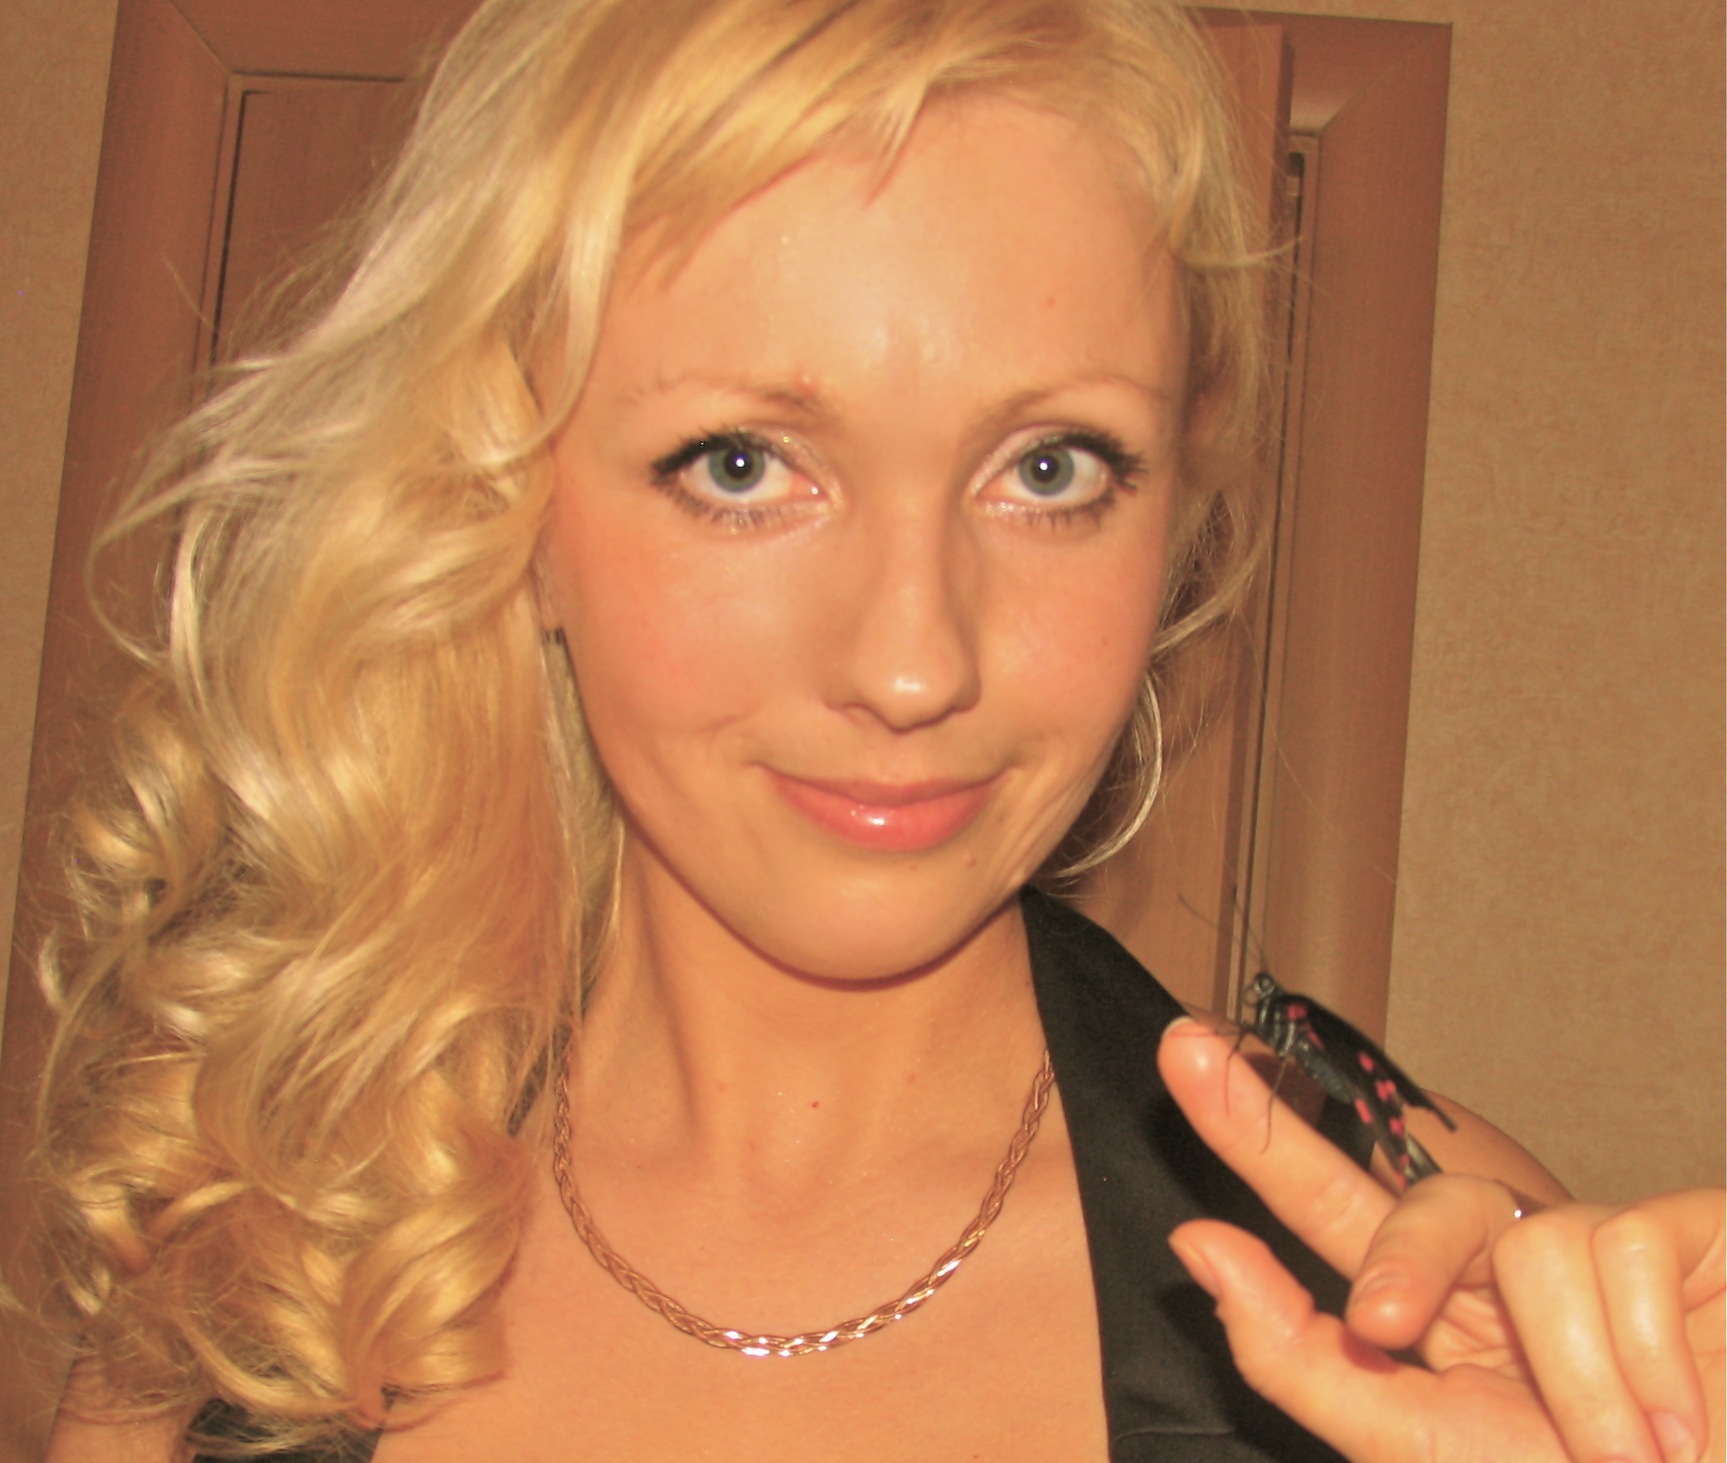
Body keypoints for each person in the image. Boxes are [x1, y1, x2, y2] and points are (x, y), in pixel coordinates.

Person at [30, 0, 1723, 1459]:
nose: (913, 666)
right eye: (743, 466)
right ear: (507, 506)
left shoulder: (1412, 1281)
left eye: (1049, 469)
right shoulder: (258, 1275)